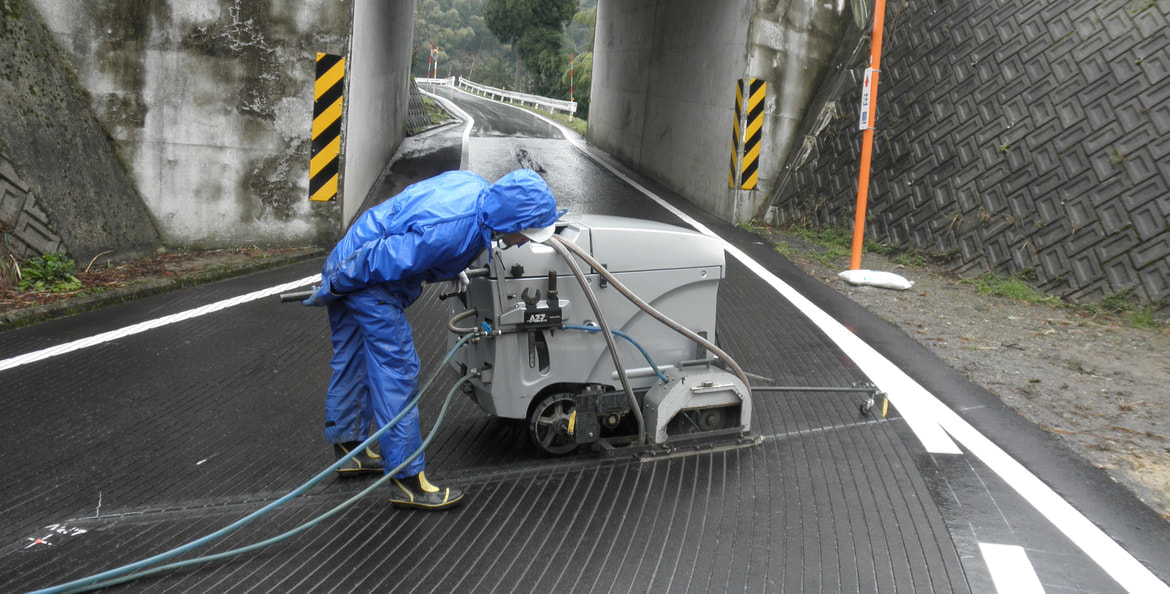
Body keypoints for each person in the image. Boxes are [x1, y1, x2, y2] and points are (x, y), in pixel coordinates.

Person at [302, 169, 560, 511]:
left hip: (350, 252)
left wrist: (449, 266)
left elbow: (418, 225)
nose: (524, 242)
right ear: (511, 220)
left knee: (354, 360)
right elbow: (384, 257)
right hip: (364, 277)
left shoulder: (478, 192)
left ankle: (350, 452)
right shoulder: (450, 232)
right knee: (397, 371)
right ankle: (408, 482)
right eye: (525, 234)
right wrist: (336, 284)